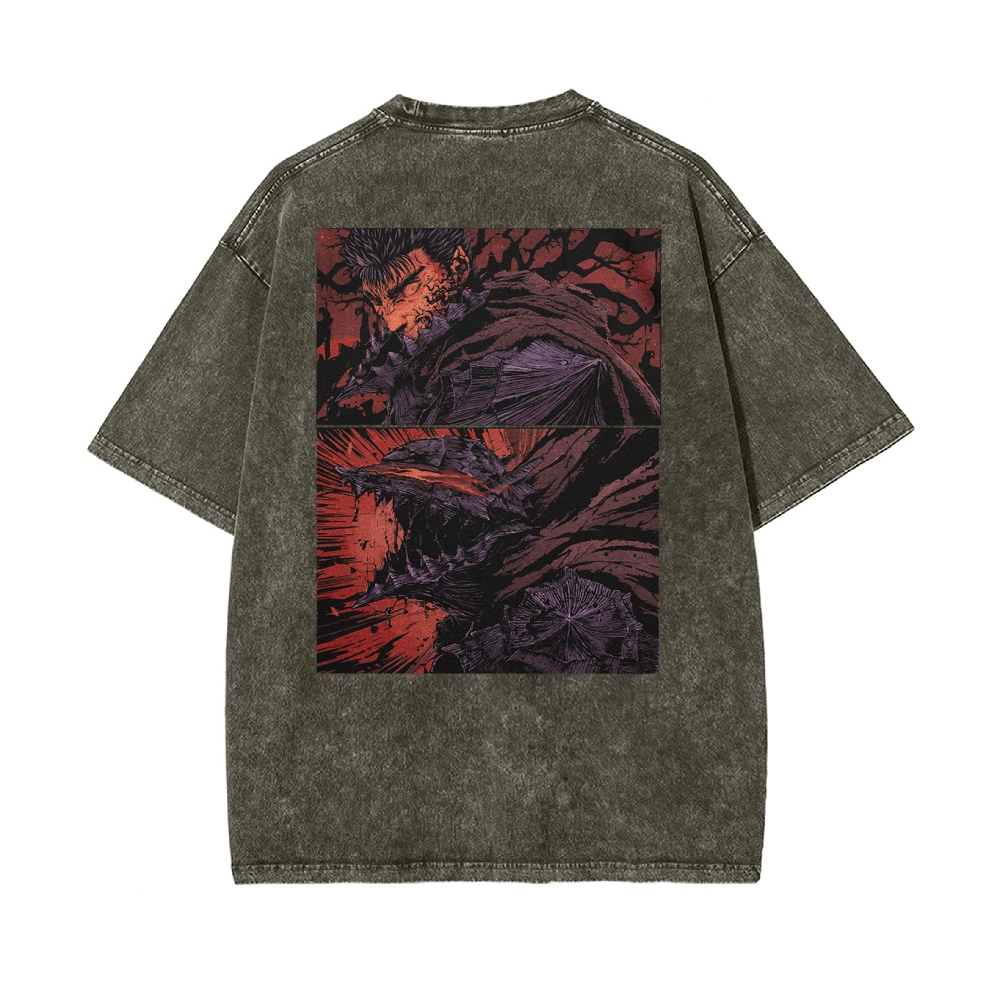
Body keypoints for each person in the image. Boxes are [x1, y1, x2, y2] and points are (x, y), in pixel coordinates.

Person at [334, 228, 661, 426]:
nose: (392, 321)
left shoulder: (528, 358)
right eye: (378, 304)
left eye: (408, 289)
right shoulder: (434, 357)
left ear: (457, 266)